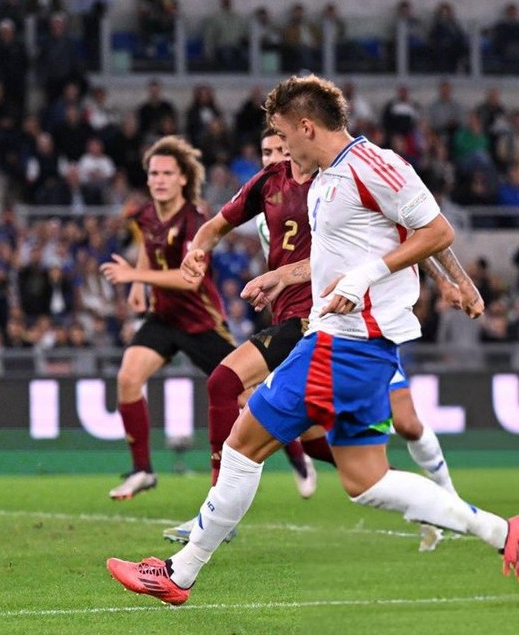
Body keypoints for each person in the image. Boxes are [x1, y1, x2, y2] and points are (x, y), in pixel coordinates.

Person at [107, 74, 519, 606]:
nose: (277, 152)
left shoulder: (374, 165)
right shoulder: (326, 177)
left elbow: (434, 230)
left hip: (346, 344)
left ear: (306, 126)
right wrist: (450, 280)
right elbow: (393, 238)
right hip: (349, 346)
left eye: (282, 135)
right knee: (367, 482)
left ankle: (178, 574)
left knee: (242, 442)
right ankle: (503, 533)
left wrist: (402, 277)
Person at [164, 127, 483, 551]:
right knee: (326, 448)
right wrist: (197, 249)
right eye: (266, 151)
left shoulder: (340, 177)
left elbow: (409, 232)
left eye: (281, 147)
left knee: (404, 423)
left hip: (335, 322)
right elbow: (217, 225)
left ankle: (451, 507)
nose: (276, 156)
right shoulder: (267, 187)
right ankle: (437, 509)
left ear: (303, 136)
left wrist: (449, 280)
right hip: (325, 329)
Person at [99, 135, 235, 500]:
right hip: (164, 319)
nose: (158, 179)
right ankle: (142, 470)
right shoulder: (145, 214)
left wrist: (134, 277)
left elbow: (190, 282)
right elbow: (148, 244)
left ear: (183, 179)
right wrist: (139, 288)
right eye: (153, 173)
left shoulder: (196, 219)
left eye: (166, 173)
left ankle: (299, 450)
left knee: (250, 396)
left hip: (200, 320)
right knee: (128, 377)